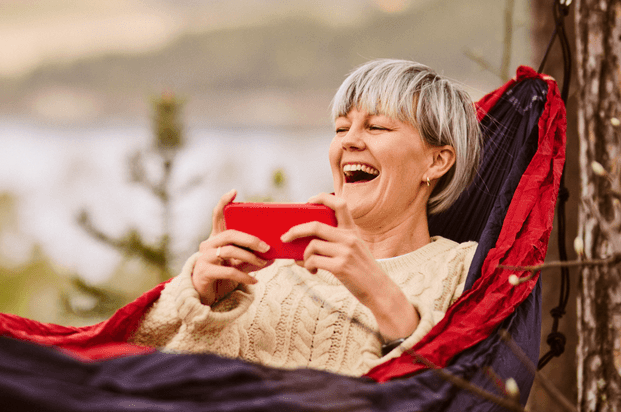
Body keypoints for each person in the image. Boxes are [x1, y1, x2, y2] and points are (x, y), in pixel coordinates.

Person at [131, 59, 482, 378]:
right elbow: (162, 386)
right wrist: (205, 302)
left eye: (376, 127)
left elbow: (458, 400)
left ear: (436, 161)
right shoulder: (264, 269)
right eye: (341, 128)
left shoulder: (465, 270)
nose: (349, 141)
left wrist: (377, 290)